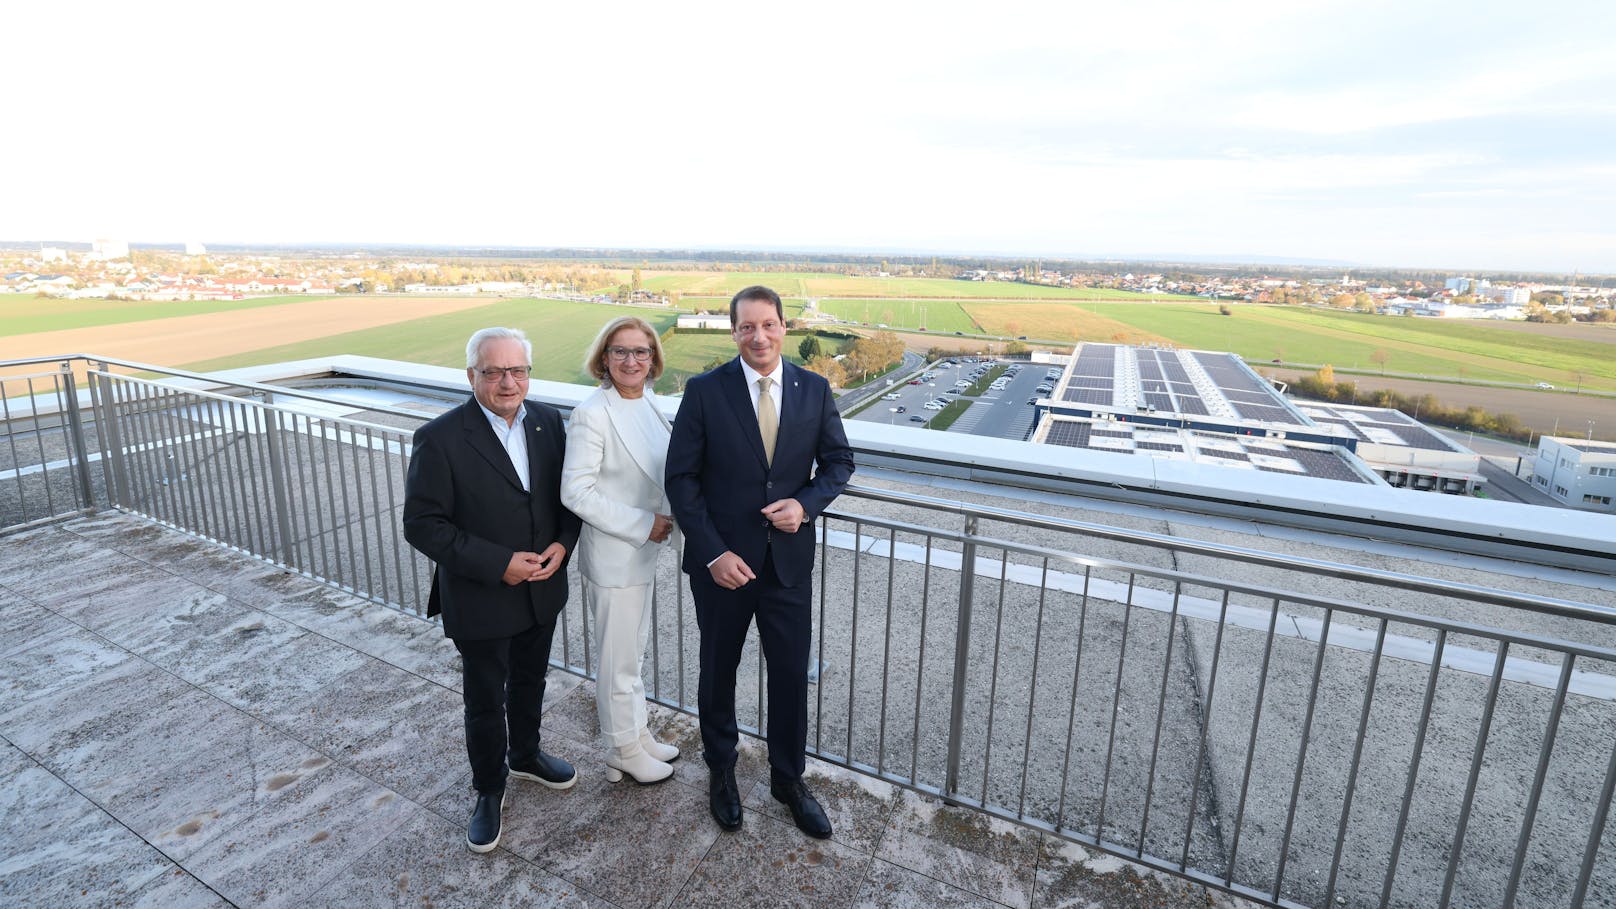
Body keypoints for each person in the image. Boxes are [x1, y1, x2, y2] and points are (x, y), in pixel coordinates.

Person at [665, 285, 855, 839]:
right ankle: (721, 770)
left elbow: (839, 461)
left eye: (768, 324)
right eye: (746, 327)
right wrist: (713, 553)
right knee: (718, 671)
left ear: (783, 327)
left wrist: (805, 504)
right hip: (723, 567)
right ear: (734, 332)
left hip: (788, 566)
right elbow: (682, 480)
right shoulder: (704, 391)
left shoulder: (814, 389)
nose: (759, 336)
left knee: (792, 676)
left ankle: (787, 778)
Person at [403, 327, 582, 854]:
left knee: (530, 682)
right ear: (471, 376)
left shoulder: (549, 422)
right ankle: (488, 789)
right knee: (484, 699)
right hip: (482, 596)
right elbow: (422, 524)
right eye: (494, 371)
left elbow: (566, 499)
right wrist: (498, 563)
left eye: (518, 370)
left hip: (542, 589)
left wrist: (563, 544)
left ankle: (525, 756)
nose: (509, 382)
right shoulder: (439, 438)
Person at [560, 316, 681, 785]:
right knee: (617, 657)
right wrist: (642, 524)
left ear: (653, 360)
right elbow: (576, 492)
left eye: (641, 352)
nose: (632, 361)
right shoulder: (593, 413)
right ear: (604, 359)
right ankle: (621, 748)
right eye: (621, 351)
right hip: (617, 552)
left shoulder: (648, 402)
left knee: (633, 651)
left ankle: (637, 733)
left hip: (643, 551)